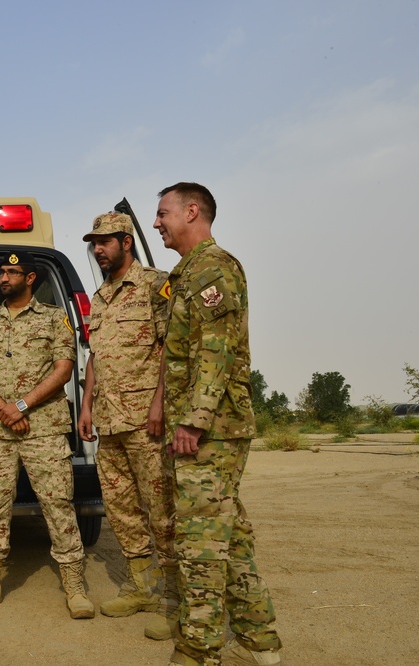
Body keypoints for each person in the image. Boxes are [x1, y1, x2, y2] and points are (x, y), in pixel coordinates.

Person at [154, 183, 283, 666]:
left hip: (210, 430)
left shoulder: (213, 268)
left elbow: (216, 349)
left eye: (163, 212)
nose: (157, 222)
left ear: (193, 212)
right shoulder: (186, 274)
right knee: (229, 535)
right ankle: (259, 638)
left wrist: (193, 421)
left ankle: (200, 649)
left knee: (200, 544)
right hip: (204, 427)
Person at [0, 251, 94, 620]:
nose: (4, 277)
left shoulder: (53, 318)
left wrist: (21, 405)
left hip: (44, 426)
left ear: (30, 278)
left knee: (58, 503)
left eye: (12, 272)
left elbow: (63, 369)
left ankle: (73, 582)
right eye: (1, 272)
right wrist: (5, 408)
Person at [76, 212, 178, 639]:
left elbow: (173, 348)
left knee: (162, 512)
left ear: (125, 241)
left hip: (144, 421)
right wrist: (85, 407)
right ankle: (143, 588)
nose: (97, 250)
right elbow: (95, 357)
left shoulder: (155, 284)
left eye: (104, 242)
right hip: (109, 420)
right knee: (121, 511)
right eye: (94, 243)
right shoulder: (99, 298)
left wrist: (159, 404)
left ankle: (176, 601)